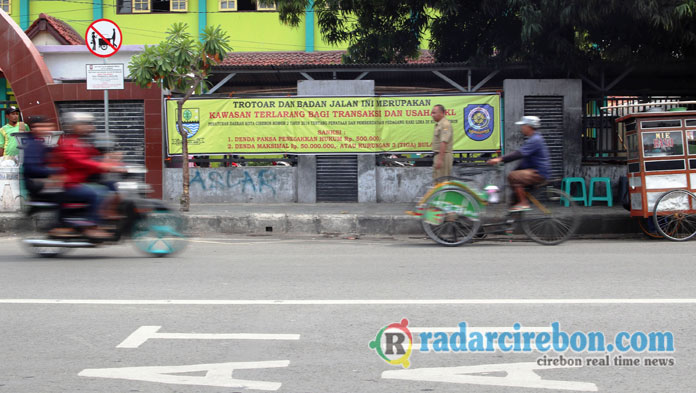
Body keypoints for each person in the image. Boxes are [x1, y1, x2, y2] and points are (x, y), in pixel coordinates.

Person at [53, 112, 124, 239]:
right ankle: (91, 226)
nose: (88, 127)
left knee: (114, 186)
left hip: (83, 180)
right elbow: (80, 161)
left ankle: (107, 214)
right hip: (71, 184)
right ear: (74, 126)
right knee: (100, 193)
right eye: (84, 124)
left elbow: (95, 156)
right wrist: (102, 166)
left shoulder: (82, 143)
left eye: (89, 124)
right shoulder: (68, 143)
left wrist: (114, 162)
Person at [487, 115, 551, 211]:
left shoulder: (535, 140)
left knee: (513, 176)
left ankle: (524, 203)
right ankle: (513, 219)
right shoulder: (533, 138)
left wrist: (500, 159)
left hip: (538, 173)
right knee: (514, 186)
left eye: (523, 125)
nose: (522, 128)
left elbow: (519, 153)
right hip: (533, 170)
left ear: (528, 126)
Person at [431, 104, 453, 180]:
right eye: (432, 113)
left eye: (434, 113)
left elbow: (444, 142)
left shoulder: (445, 124)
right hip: (439, 155)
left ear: (441, 113)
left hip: (444, 156)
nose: (432, 115)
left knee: (443, 182)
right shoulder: (439, 124)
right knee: (437, 181)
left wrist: (440, 159)